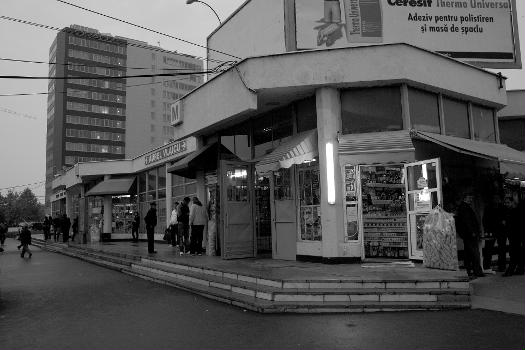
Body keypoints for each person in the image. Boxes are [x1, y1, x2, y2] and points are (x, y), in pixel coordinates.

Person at [455, 191, 484, 278]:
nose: (471, 199)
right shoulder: (465, 208)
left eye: (471, 198)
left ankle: (469, 270)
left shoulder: (463, 207)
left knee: (468, 253)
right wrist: (473, 232)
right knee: (474, 253)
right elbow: (468, 221)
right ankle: (477, 271)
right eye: (470, 197)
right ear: (465, 198)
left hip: (467, 234)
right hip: (470, 234)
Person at [482, 194, 507, 271]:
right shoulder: (489, 207)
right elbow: (485, 220)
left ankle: (501, 266)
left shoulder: (502, 207)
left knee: (501, 249)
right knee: (489, 249)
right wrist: (486, 230)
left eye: (497, 198)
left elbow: (506, 217)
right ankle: (487, 266)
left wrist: (504, 222)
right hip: (492, 231)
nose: (496, 200)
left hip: (500, 231)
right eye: (495, 198)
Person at [503, 193, 524, 276]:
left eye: (508, 203)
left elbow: (517, 224)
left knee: (514, 252)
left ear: (512, 202)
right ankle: (519, 269)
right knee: (516, 252)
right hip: (513, 235)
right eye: (505, 203)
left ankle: (512, 270)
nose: (506, 204)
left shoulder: (515, 211)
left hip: (516, 235)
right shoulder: (512, 211)